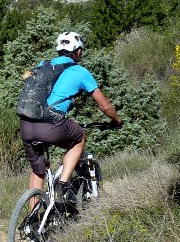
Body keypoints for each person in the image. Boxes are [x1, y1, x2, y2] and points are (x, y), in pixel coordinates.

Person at [19, 31, 123, 205]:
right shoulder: (80, 72)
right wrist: (117, 121)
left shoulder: (43, 65)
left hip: (26, 125)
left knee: (38, 170)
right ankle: (64, 184)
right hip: (51, 125)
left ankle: (33, 225)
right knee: (79, 137)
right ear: (78, 51)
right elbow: (104, 105)